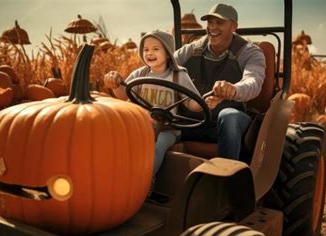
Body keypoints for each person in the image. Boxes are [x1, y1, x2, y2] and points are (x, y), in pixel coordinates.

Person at [103, 30, 202, 180]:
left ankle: (145, 181)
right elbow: (123, 95)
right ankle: (114, 175)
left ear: (168, 53)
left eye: (156, 49)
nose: (150, 53)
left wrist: (204, 103)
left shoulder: (178, 75)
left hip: (167, 130)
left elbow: (192, 103)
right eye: (146, 49)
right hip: (140, 124)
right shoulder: (140, 74)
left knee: (156, 145)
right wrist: (115, 84)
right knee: (119, 139)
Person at [174, 3, 266, 160]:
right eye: (210, 22)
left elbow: (253, 81)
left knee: (228, 115)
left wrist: (234, 89)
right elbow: (165, 66)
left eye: (220, 22)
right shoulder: (191, 50)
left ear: (234, 26)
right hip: (193, 121)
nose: (212, 27)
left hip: (229, 122)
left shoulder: (249, 52)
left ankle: (227, 177)